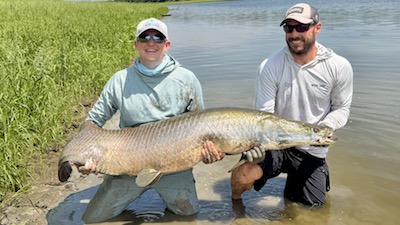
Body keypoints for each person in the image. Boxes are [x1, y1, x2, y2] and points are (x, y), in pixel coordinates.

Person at [77, 18, 224, 223]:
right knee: (93, 219)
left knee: (189, 216)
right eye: (144, 38)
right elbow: (92, 121)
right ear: (136, 44)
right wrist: (84, 156)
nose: (151, 43)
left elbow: (202, 126)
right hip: (127, 164)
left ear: (167, 44)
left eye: (158, 37)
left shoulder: (187, 79)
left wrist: (210, 153)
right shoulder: (119, 80)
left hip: (174, 168)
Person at [230, 3, 353, 207]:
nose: (294, 34)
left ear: (317, 27)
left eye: (302, 27)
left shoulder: (338, 66)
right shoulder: (270, 65)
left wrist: (325, 127)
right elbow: (264, 117)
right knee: (244, 174)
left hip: (312, 148)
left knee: (313, 210)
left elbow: (342, 108)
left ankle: (310, 179)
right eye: (289, 28)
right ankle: (235, 207)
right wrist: (256, 147)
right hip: (274, 143)